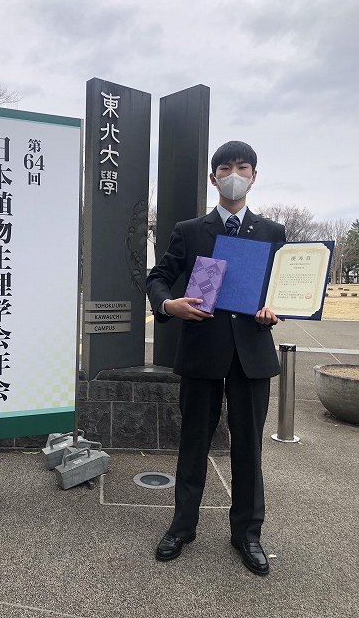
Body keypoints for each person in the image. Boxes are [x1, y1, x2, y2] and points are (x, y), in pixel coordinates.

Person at [146, 140, 286, 575]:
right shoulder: (190, 230)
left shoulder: (272, 232)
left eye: (242, 168)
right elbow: (158, 277)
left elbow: (279, 290)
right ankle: (182, 526)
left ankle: (247, 533)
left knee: (248, 446)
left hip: (251, 353)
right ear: (213, 177)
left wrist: (275, 308)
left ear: (254, 177)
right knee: (193, 443)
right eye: (225, 168)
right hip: (202, 349)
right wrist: (169, 305)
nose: (233, 175)